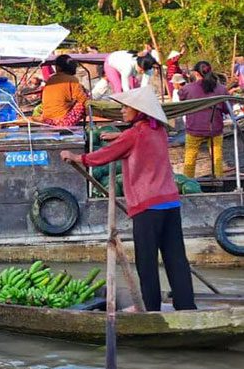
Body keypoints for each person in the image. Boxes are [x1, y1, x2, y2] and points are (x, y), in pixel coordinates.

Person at [60, 87, 195, 312]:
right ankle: (187, 306)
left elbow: (104, 156)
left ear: (139, 111)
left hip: (148, 206)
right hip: (170, 203)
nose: (122, 111)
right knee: (176, 258)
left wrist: (77, 157)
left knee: (146, 260)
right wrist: (119, 136)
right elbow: (134, 140)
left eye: (126, 107)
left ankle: (149, 308)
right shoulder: (158, 130)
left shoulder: (134, 135)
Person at [178, 61, 232, 178]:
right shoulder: (221, 89)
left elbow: (181, 100)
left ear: (196, 74)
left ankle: (188, 184)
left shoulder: (187, 89)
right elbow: (227, 110)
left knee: (190, 160)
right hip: (215, 129)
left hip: (194, 129)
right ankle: (219, 182)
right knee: (216, 158)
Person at [38, 54, 89, 126]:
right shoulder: (72, 79)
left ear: (58, 68)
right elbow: (82, 99)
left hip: (47, 119)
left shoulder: (50, 79)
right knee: (83, 103)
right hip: (62, 121)